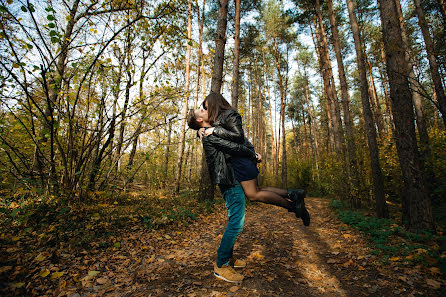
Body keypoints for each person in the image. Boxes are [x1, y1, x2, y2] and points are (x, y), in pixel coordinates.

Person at [200, 92, 310, 225]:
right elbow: (210, 131)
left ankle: (293, 205)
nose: (207, 110)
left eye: (207, 107)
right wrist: (201, 130)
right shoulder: (219, 119)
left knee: (253, 194)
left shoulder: (231, 114)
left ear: (215, 104)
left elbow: (238, 136)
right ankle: (293, 195)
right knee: (257, 190)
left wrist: (214, 131)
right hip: (240, 158)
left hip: (241, 158)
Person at [187, 107, 258, 283]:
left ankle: (228, 258)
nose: (205, 109)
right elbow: (234, 146)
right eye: (201, 110)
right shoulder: (207, 134)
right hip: (228, 179)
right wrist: (254, 155)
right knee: (236, 222)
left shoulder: (210, 130)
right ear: (199, 120)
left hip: (231, 176)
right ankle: (221, 264)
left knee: (235, 220)